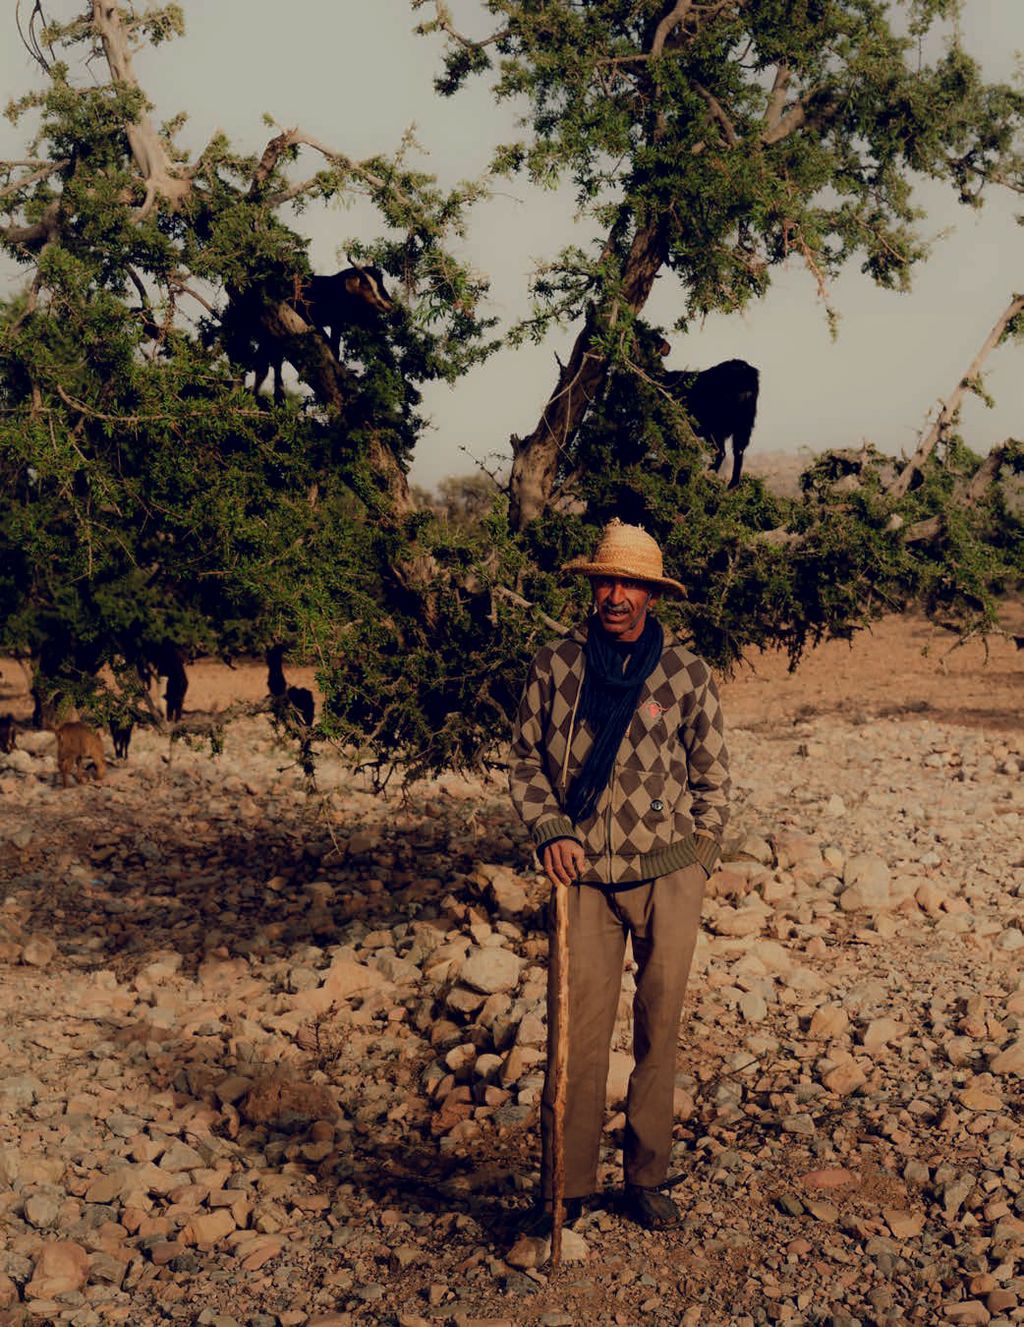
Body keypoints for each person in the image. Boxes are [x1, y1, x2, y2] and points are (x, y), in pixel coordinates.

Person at [508, 518, 730, 1232]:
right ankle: (567, 1185)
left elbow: (713, 777)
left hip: (669, 875)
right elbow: (525, 762)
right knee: (577, 1035)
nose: (616, 595)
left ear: (652, 595)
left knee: (658, 1029)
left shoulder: (687, 673)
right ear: (593, 586)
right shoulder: (556, 666)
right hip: (582, 876)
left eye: (631, 584)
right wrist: (550, 829)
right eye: (607, 581)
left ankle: (646, 1177)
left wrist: (700, 856)